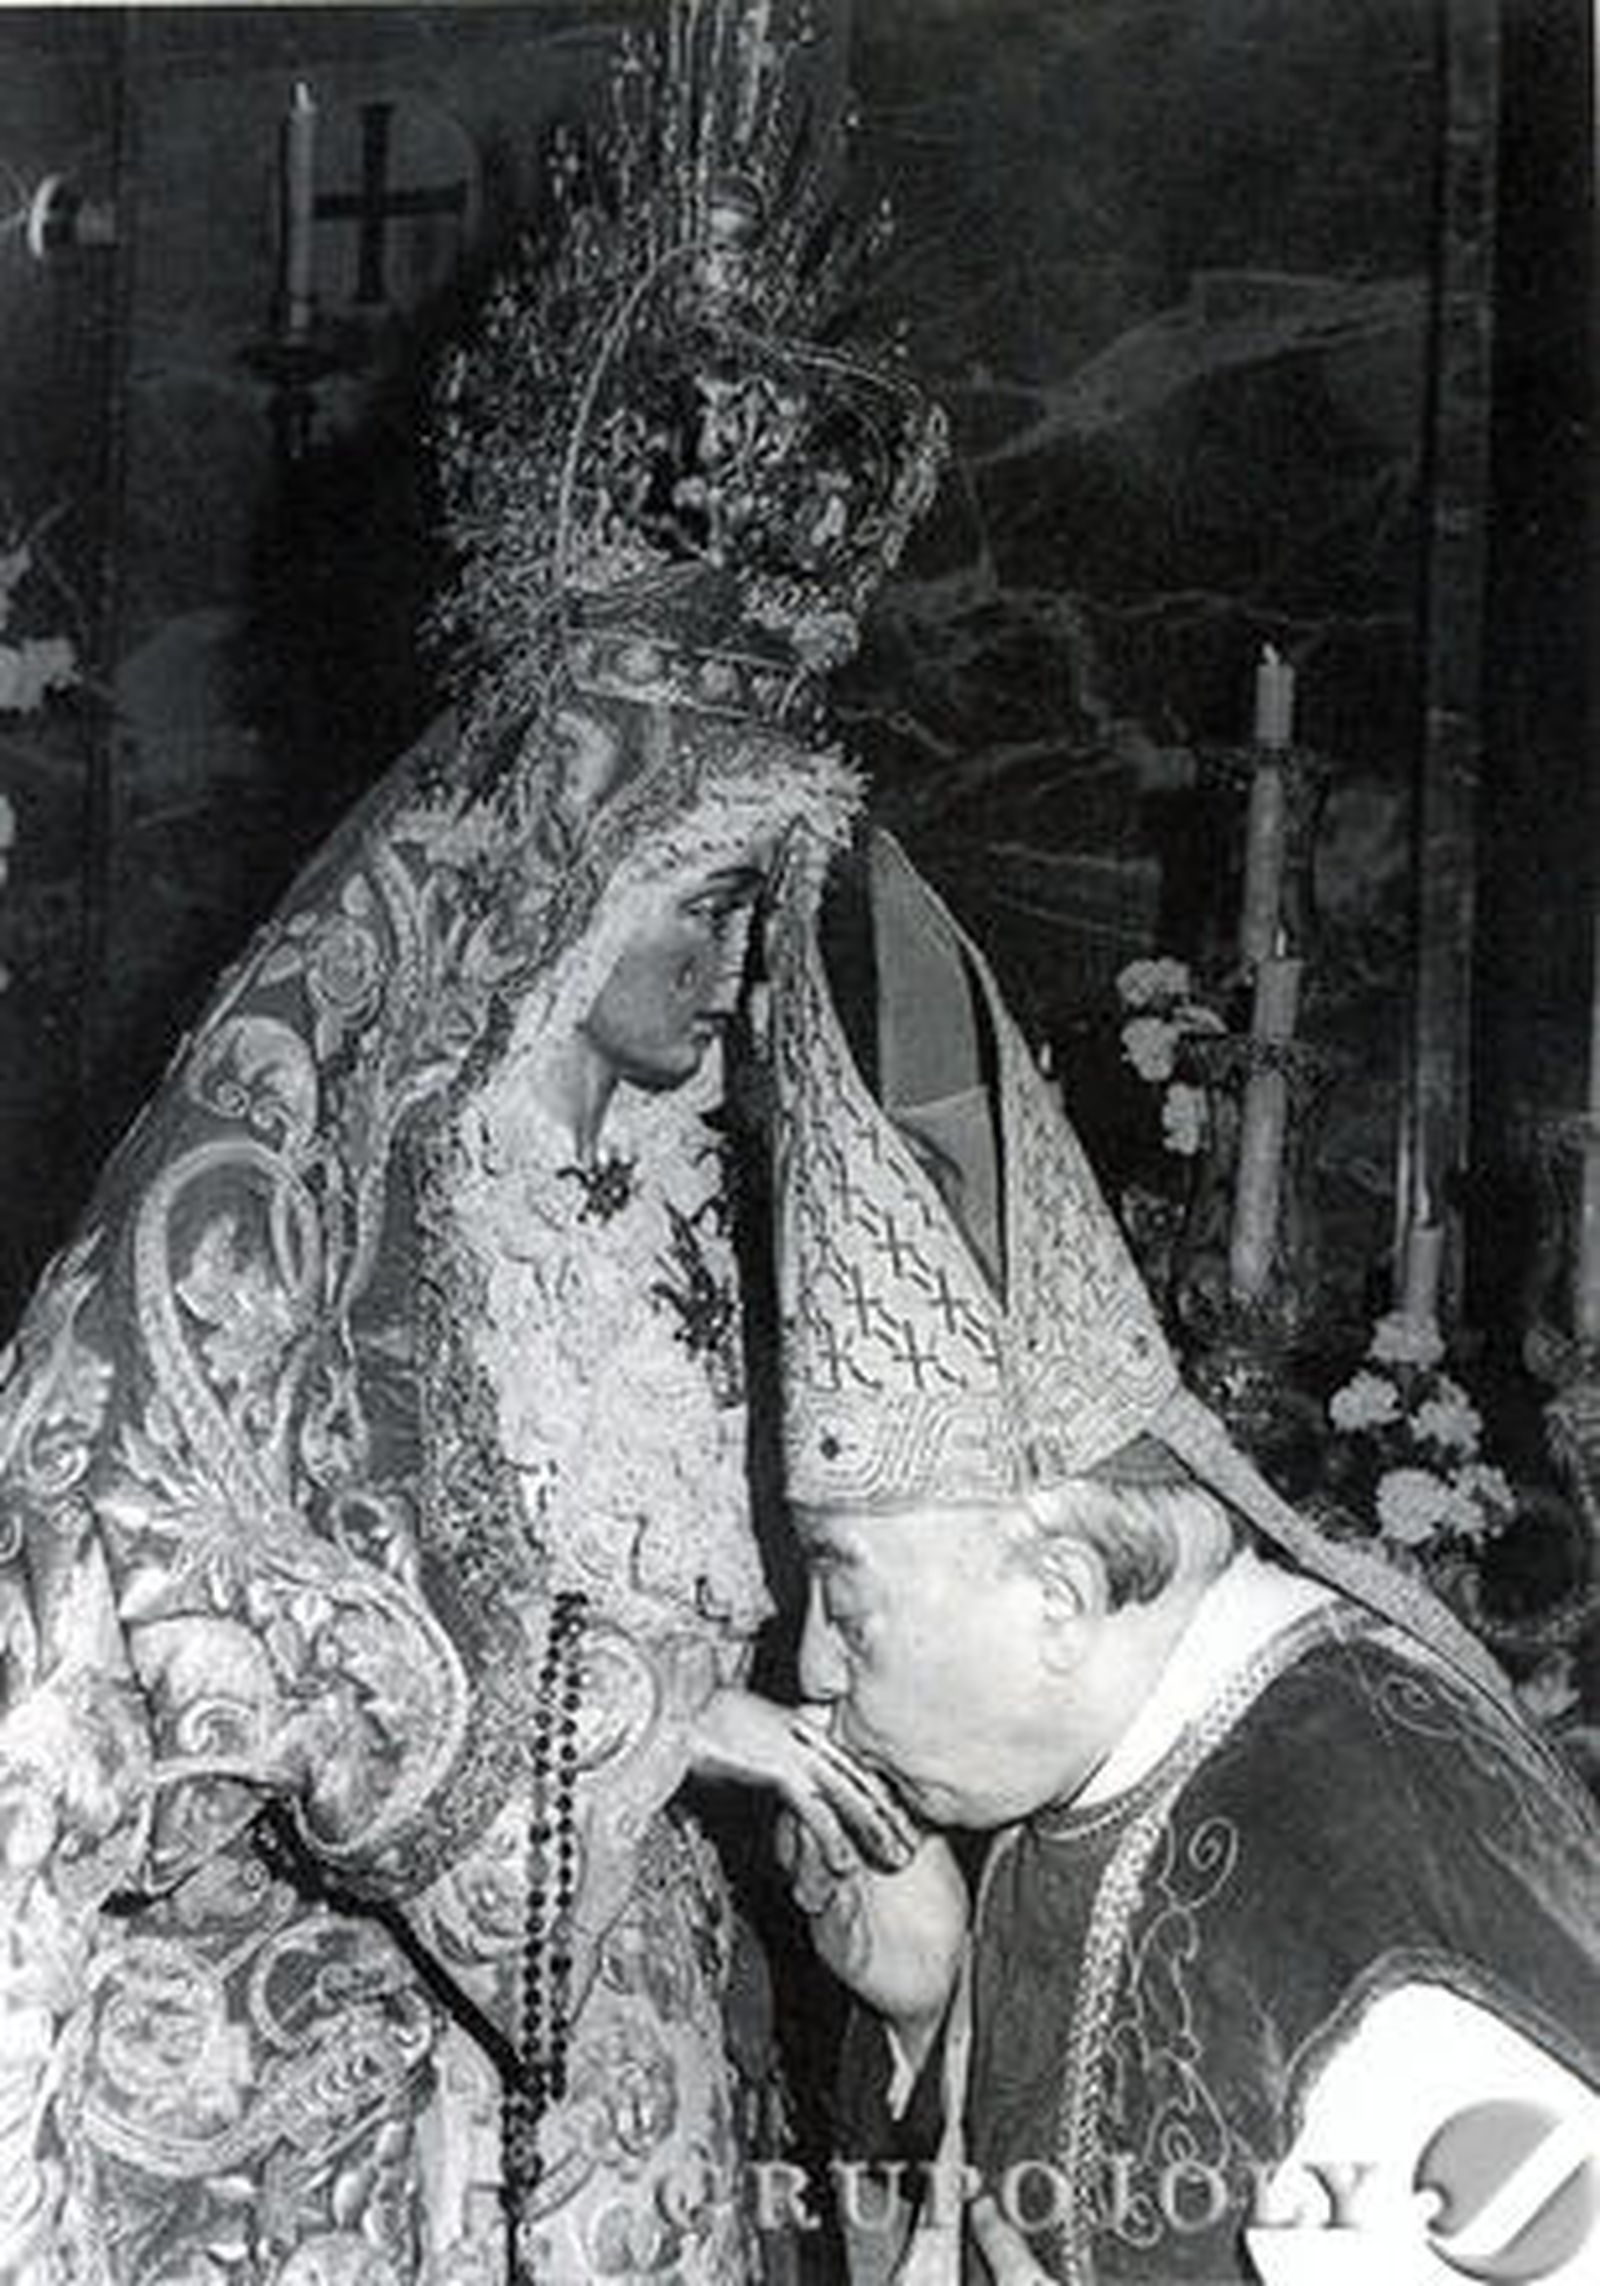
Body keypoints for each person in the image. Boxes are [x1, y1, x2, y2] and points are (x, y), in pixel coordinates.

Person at [0, 7, 946, 2281]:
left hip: (638, 2022)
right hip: (329, 2068)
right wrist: (639, 1714)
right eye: (710, 900)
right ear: (562, 875)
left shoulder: (750, 1207)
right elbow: (160, 1558)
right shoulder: (333, 1201)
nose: (741, 967)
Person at [760, 828, 1600, 2285]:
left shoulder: (1363, 1887)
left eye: (844, 1592)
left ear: (1060, 1591)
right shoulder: (1091, 1764)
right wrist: (929, 2006)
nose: (815, 1669)